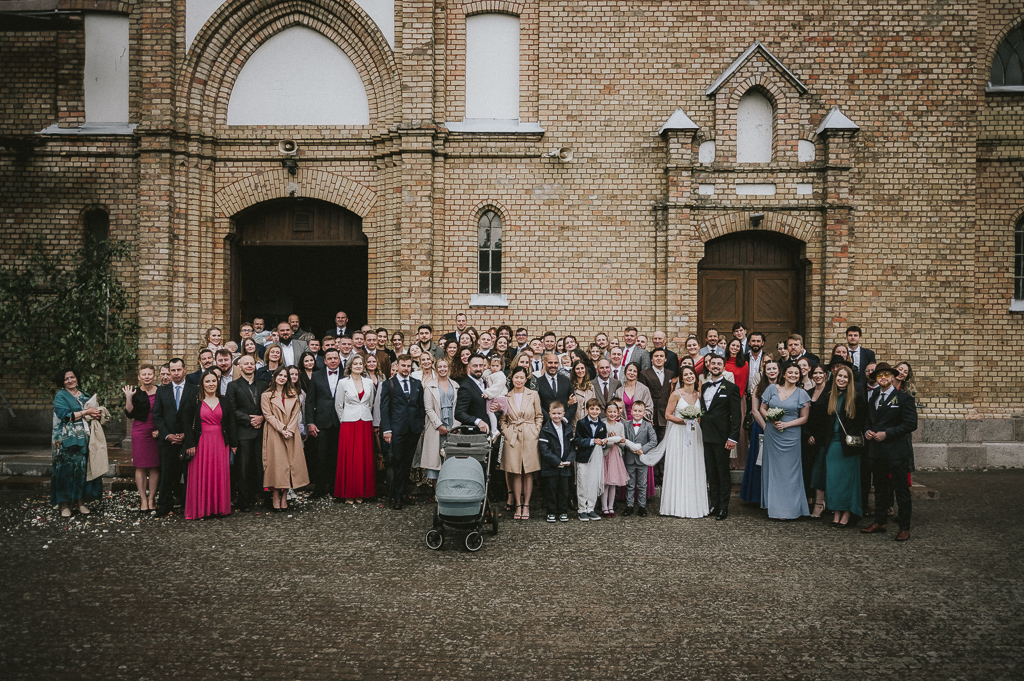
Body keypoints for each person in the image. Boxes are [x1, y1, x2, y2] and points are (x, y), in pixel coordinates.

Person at [861, 362, 918, 541]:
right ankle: (880, 521)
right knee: (879, 488)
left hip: (896, 452)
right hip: (877, 451)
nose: (883, 378)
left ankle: (904, 527)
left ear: (893, 377)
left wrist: (887, 433)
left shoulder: (904, 398)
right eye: (880, 375)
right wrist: (867, 431)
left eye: (886, 374)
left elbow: (911, 424)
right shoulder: (874, 396)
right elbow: (868, 419)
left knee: (901, 490)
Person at [643, 365, 709, 518]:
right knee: (679, 466)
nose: (689, 377)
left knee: (693, 466)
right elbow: (667, 415)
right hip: (678, 433)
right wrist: (684, 421)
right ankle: (676, 506)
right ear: (682, 378)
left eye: (691, 374)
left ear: (695, 376)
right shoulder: (676, 394)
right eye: (685, 375)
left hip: (695, 433)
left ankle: (694, 506)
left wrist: (693, 421)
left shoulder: (699, 395)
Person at [759, 363, 811, 520]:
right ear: (784, 374)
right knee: (773, 470)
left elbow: (804, 418)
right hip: (772, 434)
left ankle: (790, 508)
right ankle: (775, 506)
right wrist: (770, 418)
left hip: (791, 435)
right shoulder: (771, 389)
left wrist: (787, 424)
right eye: (790, 372)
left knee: (790, 471)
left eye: (796, 373)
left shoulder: (802, 394)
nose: (793, 375)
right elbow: (762, 408)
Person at [51, 369, 105, 517]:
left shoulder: (85, 396)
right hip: (65, 441)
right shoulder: (61, 396)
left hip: (84, 439)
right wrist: (86, 412)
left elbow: (91, 414)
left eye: (72, 377)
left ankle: (81, 503)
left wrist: (96, 414)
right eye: (66, 379)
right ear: (62, 382)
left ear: (77, 378)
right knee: (65, 472)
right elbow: (65, 416)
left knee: (82, 471)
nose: (70, 380)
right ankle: (64, 505)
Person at [180, 369, 234, 520]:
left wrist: (233, 444)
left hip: (220, 442)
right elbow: (186, 423)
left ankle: (218, 508)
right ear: (202, 383)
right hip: (201, 442)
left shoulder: (224, 401)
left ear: (218, 382)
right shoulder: (194, 400)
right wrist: (190, 444)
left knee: (218, 474)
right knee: (201, 475)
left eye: (214, 381)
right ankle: (201, 509)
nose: (211, 384)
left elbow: (230, 423)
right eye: (207, 381)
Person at [819, 364, 866, 528]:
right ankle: (836, 511)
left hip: (849, 446)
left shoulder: (856, 397)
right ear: (834, 377)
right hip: (832, 445)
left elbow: (862, 421)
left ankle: (847, 512)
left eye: (845, 377)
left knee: (848, 481)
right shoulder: (829, 396)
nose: (842, 379)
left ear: (850, 379)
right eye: (839, 376)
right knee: (833, 480)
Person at [153, 358, 199, 516]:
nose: (176, 373)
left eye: (179, 370)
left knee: (188, 474)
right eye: (173, 370)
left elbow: (197, 415)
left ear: (185, 369)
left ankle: (188, 505)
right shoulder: (162, 391)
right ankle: (165, 505)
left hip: (187, 439)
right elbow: (157, 416)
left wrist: (187, 434)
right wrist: (167, 435)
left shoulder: (194, 390)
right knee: (166, 474)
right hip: (168, 440)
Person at [380, 355, 426, 509]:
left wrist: (420, 425)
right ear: (397, 366)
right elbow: (384, 408)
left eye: (408, 366)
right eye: (403, 365)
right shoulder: (388, 384)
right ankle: (397, 497)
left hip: (413, 429)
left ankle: (405, 493)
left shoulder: (416, 383)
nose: (406, 369)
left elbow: (420, 406)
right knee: (397, 462)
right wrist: (387, 429)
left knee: (408, 463)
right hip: (397, 429)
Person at [700, 355, 742, 520]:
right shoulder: (704, 386)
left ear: (724, 367)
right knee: (711, 472)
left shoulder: (731, 388)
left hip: (722, 437)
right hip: (706, 435)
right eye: (713, 363)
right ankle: (714, 504)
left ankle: (724, 508)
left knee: (722, 472)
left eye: (719, 364)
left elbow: (736, 416)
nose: (716, 366)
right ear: (709, 366)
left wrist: (733, 437)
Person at [261, 367, 309, 511]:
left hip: (291, 433)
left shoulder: (293, 394)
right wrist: (282, 429)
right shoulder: (266, 395)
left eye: (285, 376)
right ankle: (275, 495)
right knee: (277, 464)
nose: (282, 378)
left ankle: (284, 496)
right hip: (275, 432)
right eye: (280, 375)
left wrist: (290, 430)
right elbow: (268, 415)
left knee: (290, 463)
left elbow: (296, 414)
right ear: (275, 377)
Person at [499, 366, 544, 520]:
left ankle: (527, 505)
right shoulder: (506, 396)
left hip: (530, 435)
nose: (519, 380)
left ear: (526, 379)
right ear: (512, 378)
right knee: (516, 472)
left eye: (521, 378)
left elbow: (539, 415)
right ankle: (518, 504)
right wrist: (507, 431)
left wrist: (535, 431)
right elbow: (503, 419)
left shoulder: (533, 394)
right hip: (513, 436)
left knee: (528, 472)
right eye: (516, 377)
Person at [224, 354, 267, 512]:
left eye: (252, 363)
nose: (249, 366)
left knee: (259, 466)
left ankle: (260, 496)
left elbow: (268, 406)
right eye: (246, 363)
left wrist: (262, 417)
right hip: (243, 432)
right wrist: (250, 420)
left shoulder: (263, 384)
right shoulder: (233, 386)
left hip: (261, 432)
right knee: (243, 468)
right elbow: (231, 409)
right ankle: (244, 501)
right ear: (240, 366)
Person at [333, 355, 376, 503]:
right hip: (348, 424)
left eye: (360, 364)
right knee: (349, 458)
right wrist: (344, 420)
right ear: (350, 366)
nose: (358, 366)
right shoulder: (343, 383)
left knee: (363, 458)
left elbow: (370, 403)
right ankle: (348, 493)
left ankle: (361, 493)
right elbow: (338, 405)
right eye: (355, 364)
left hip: (365, 422)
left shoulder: (369, 382)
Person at [304, 349, 343, 499]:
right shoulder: (316, 375)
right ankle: (319, 489)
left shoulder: (346, 375)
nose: (333, 361)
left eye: (335, 358)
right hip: (321, 422)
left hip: (340, 422)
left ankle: (335, 489)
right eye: (330, 358)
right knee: (320, 457)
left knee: (337, 457)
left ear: (339, 360)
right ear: (324, 361)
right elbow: (309, 401)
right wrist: (310, 422)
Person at [740, 359, 779, 505]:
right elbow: (755, 410)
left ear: (779, 370)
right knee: (759, 460)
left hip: (779, 425)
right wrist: (765, 426)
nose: (772, 371)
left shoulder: (783, 386)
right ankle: (756, 496)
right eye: (769, 369)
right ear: (764, 371)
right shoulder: (759, 387)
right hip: (761, 426)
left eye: (774, 368)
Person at [123, 365, 161, 513]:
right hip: (139, 431)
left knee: (154, 466)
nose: (147, 377)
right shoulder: (135, 392)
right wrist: (128, 397)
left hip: (156, 431)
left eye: (149, 374)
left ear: (154, 376)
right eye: (143, 374)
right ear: (139, 377)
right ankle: (143, 499)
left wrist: (160, 430)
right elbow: (130, 413)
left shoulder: (161, 391)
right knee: (140, 466)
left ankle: (151, 499)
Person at [422, 358, 459, 489]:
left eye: (445, 366)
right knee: (436, 459)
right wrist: (439, 426)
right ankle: (438, 492)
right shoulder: (430, 386)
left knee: (452, 458)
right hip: (436, 425)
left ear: (448, 368)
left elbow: (459, 407)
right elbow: (428, 408)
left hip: (453, 423)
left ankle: (451, 489)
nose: (442, 369)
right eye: (440, 367)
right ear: (436, 368)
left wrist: (456, 426)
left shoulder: (455, 385)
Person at [538, 401, 575, 523]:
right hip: (551, 466)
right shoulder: (545, 429)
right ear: (549, 414)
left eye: (559, 413)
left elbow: (572, 447)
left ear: (563, 413)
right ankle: (551, 512)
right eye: (554, 413)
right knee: (551, 490)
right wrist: (555, 461)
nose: (557, 416)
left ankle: (563, 511)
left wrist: (569, 459)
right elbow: (544, 449)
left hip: (565, 466)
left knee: (564, 490)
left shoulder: (568, 428)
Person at [620, 400, 658, 517]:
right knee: (630, 484)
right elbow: (623, 439)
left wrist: (643, 449)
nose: (637, 413)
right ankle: (629, 505)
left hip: (642, 459)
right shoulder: (626, 425)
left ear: (644, 413)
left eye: (640, 411)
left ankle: (642, 506)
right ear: (631, 412)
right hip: (630, 459)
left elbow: (654, 441)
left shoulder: (648, 425)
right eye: (635, 411)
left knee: (642, 484)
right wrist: (629, 447)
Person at [573, 398, 607, 521]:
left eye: (597, 409)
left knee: (593, 483)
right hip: (583, 457)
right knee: (582, 483)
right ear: (587, 409)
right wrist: (592, 441)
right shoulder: (581, 423)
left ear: (600, 411)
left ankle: (591, 508)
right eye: (592, 409)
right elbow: (577, 440)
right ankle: (582, 509)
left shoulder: (602, 425)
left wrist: (603, 443)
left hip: (596, 458)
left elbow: (603, 441)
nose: (594, 411)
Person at [804, 363, 830, 517]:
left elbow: (829, 419)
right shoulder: (808, 392)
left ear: (826, 374)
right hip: (809, 438)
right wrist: (808, 435)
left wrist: (818, 437)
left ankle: (819, 504)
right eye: (815, 373)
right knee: (809, 470)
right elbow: (804, 416)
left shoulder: (830, 392)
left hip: (823, 439)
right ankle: (810, 501)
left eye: (820, 373)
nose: (818, 376)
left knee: (819, 472)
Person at [640, 348, 677, 442]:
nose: (659, 358)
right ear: (651, 359)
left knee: (664, 442)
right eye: (656, 356)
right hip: (651, 415)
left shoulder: (670, 373)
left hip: (665, 414)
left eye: (661, 356)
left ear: (665, 359)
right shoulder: (644, 374)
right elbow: (642, 395)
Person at [536, 351, 578, 424]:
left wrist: (565, 418)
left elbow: (574, 402)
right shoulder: (538, 382)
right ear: (545, 363)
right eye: (550, 363)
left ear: (558, 364)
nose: (553, 365)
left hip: (564, 424)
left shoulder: (566, 380)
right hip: (546, 424)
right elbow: (538, 405)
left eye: (555, 363)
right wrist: (550, 420)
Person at [481, 354, 510, 440]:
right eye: (493, 366)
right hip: (495, 396)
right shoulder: (491, 373)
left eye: (497, 366)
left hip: (498, 396)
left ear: (501, 366)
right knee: (489, 412)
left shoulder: (500, 375)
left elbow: (496, 387)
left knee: (490, 411)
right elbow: (485, 375)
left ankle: (494, 430)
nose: (494, 368)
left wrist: (487, 393)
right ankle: (493, 430)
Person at [570, 361, 595, 429]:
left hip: (589, 422)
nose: (580, 371)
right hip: (575, 423)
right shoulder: (570, 386)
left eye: (582, 368)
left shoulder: (590, 386)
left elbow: (594, 404)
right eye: (577, 369)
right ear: (574, 370)